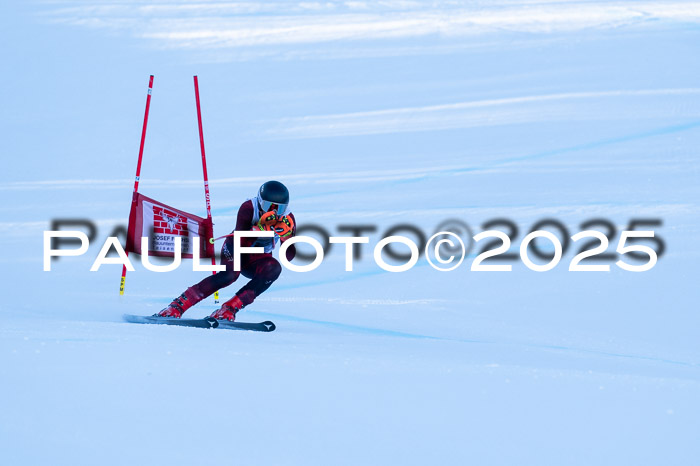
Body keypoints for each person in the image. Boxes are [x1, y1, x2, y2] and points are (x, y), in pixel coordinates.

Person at [157, 180, 296, 321]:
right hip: (235, 247)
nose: (273, 212)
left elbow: (289, 257)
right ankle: (178, 305)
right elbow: (240, 243)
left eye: (279, 209)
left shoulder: (288, 218)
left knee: (274, 269)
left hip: (258, 257)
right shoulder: (249, 207)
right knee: (229, 275)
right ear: (260, 202)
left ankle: (229, 308)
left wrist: (286, 238)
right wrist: (257, 230)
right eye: (268, 206)